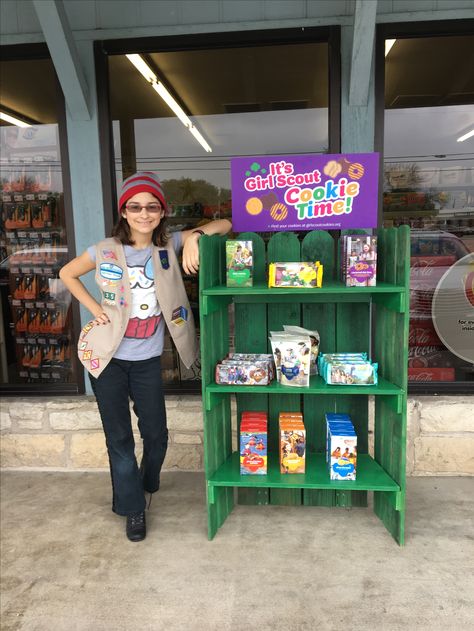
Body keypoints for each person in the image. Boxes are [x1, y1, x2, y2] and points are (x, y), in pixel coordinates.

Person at [59, 172, 231, 542]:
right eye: (135, 206)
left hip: (147, 359)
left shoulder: (170, 243)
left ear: (162, 211)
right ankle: (133, 507)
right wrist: (94, 309)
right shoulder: (104, 249)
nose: (144, 213)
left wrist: (197, 237)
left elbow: (226, 223)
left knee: (156, 433)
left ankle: (146, 480)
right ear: (124, 211)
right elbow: (67, 273)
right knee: (119, 437)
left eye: (152, 206)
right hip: (106, 358)